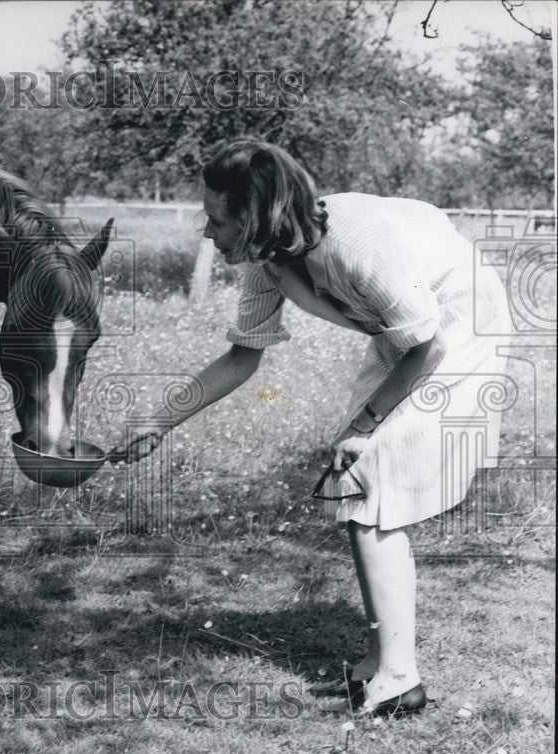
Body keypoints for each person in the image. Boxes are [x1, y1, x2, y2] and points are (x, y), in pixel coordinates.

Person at [112, 139, 511, 716]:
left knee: (371, 473)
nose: (206, 231)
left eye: (216, 218)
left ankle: (400, 678)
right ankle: (381, 662)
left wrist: (366, 424)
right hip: (403, 336)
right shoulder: (267, 259)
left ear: (255, 215)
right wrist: (157, 422)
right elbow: (242, 357)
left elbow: (428, 343)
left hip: (457, 322)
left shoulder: (356, 243)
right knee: (356, 483)